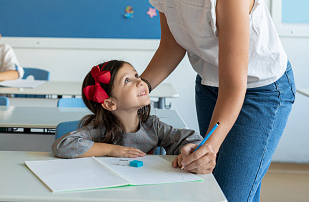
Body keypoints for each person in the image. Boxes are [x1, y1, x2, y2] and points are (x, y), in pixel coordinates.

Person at [140, 0, 295, 201]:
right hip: (210, 85)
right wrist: (140, 87)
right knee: (221, 184)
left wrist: (210, 146)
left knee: (227, 194)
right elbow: (172, 44)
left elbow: (235, 83)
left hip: (259, 89)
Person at [52, 60, 203, 167]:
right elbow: (62, 146)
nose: (141, 82)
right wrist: (111, 150)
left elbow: (192, 139)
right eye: (127, 81)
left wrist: (186, 152)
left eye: (136, 75)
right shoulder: (101, 129)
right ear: (110, 103)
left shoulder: (153, 126)